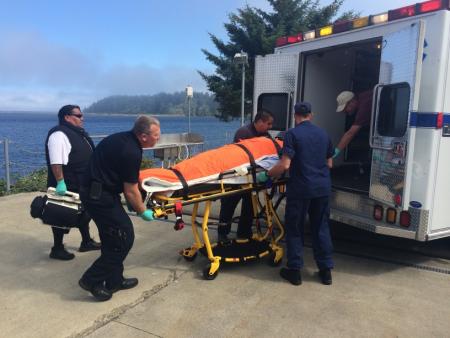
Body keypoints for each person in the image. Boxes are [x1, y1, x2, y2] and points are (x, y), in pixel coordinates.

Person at [78, 115, 161, 301]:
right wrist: (142, 210)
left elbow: (125, 177)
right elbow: (130, 190)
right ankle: (91, 279)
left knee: (112, 237)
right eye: (156, 135)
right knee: (124, 238)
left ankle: (114, 280)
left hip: (97, 192)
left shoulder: (121, 138)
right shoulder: (131, 151)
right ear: (144, 135)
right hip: (100, 197)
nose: (159, 138)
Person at [259, 102, 334, 286]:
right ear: (311, 115)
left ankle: (294, 271)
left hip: (301, 189)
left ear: (295, 116)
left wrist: (268, 175)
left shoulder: (292, 134)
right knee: (321, 228)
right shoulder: (324, 134)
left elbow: (285, 165)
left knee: (295, 229)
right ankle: (325, 272)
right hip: (322, 188)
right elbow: (330, 164)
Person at [45, 105, 101, 260]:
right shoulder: (59, 134)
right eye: (79, 115)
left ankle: (86, 241)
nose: (82, 118)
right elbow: (56, 162)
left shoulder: (77, 133)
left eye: (82, 115)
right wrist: (60, 183)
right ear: (67, 117)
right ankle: (57, 249)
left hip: (82, 182)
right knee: (60, 215)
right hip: (67, 184)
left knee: (84, 212)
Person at [218, 110, 274, 241]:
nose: (270, 127)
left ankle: (244, 232)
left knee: (249, 207)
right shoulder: (244, 133)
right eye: (268, 124)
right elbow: (240, 155)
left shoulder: (265, 135)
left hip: (251, 178)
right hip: (237, 177)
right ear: (259, 122)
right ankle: (222, 233)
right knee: (228, 205)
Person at [334, 90, 373, 158]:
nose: (345, 111)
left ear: (352, 101)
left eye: (346, 108)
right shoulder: (362, 96)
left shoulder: (363, 107)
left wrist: (335, 152)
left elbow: (350, 133)